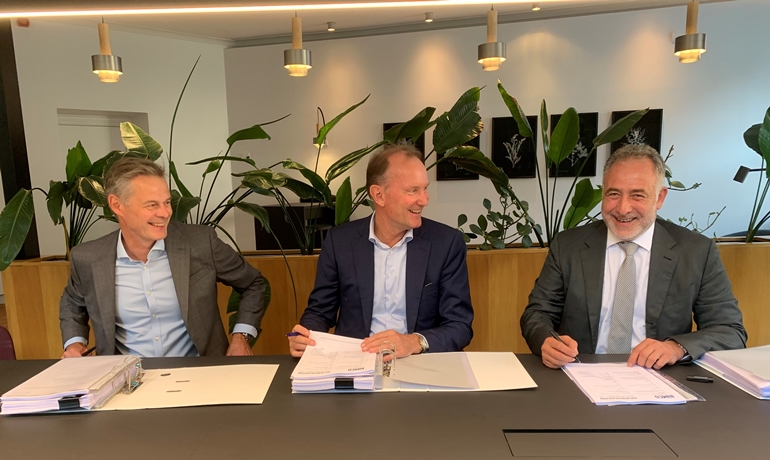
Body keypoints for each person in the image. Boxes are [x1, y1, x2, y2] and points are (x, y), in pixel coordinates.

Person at [520, 144, 747, 369]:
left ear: (659, 198)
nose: (623, 208)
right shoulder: (568, 245)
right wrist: (546, 341)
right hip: (580, 374)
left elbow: (730, 331)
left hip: (662, 380)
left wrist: (676, 347)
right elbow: (537, 313)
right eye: (613, 194)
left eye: (637, 195)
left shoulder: (696, 251)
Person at [59, 157, 266, 357]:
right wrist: (75, 343)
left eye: (166, 202)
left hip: (203, 376)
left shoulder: (201, 243)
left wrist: (241, 336)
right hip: (127, 382)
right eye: (152, 205)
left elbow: (253, 283)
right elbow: (73, 302)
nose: (165, 213)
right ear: (117, 205)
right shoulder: (89, 258)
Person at [288, 144, 474, 358]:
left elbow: (460, 326)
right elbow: (320, 311)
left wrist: (413, 342)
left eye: (425, 188)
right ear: (379, 195)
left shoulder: (446, 243)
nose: (424, 200)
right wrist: (307, 337)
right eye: (413, 190)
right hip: (355, 362)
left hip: (419, 360)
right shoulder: (340, 242)